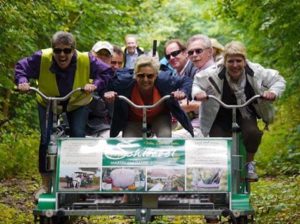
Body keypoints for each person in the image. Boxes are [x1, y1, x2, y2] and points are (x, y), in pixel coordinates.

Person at [15, 31, 112, 196]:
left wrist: (95, 84)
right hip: (48, 101)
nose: (62, 55)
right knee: (46, 139)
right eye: (57, 50)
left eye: (67, 50)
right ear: (52, 49)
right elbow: (21, 67)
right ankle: (45, 184)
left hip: (77, 102)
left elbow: (107, 72)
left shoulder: (85, 59)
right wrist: (23, 82)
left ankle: (80, 182)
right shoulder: (42, 57)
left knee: (78, 137)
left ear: (73, 50)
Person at [192, 40, 286, 181]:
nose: (235, 65)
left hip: (245, 111)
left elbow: (278, 80)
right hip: (219, 114)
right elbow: (197, 83)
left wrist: (273, 92)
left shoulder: (255, 71)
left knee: (253, 133)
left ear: (244, 61)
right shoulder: (212, 73)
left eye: (238, 61)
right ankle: (219, 171)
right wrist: (198, 93)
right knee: (219, 141)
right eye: (231, 61)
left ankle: (249, 164)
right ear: (224, 61)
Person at [104, 55, 194, 138]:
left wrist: (183, 92)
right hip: (133, 119)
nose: (145, 80)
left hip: (159, 117)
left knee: (165, 137)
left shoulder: (165, 80)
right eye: (141, 76)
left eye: (150, 76)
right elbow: (106, 85)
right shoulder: (123, 82)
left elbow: (186, 80)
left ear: (156, 75)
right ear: (135, 75)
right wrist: (108, 93)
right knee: (129, 143)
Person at [163, 39, 200, 137]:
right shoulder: (175, 73)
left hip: (200, 123)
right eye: (167, 56)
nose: (171, 58)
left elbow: (199, 104)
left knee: (166, 138)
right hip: (184, 119)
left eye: (175, 53)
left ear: (185, 53)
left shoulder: (196, 71)